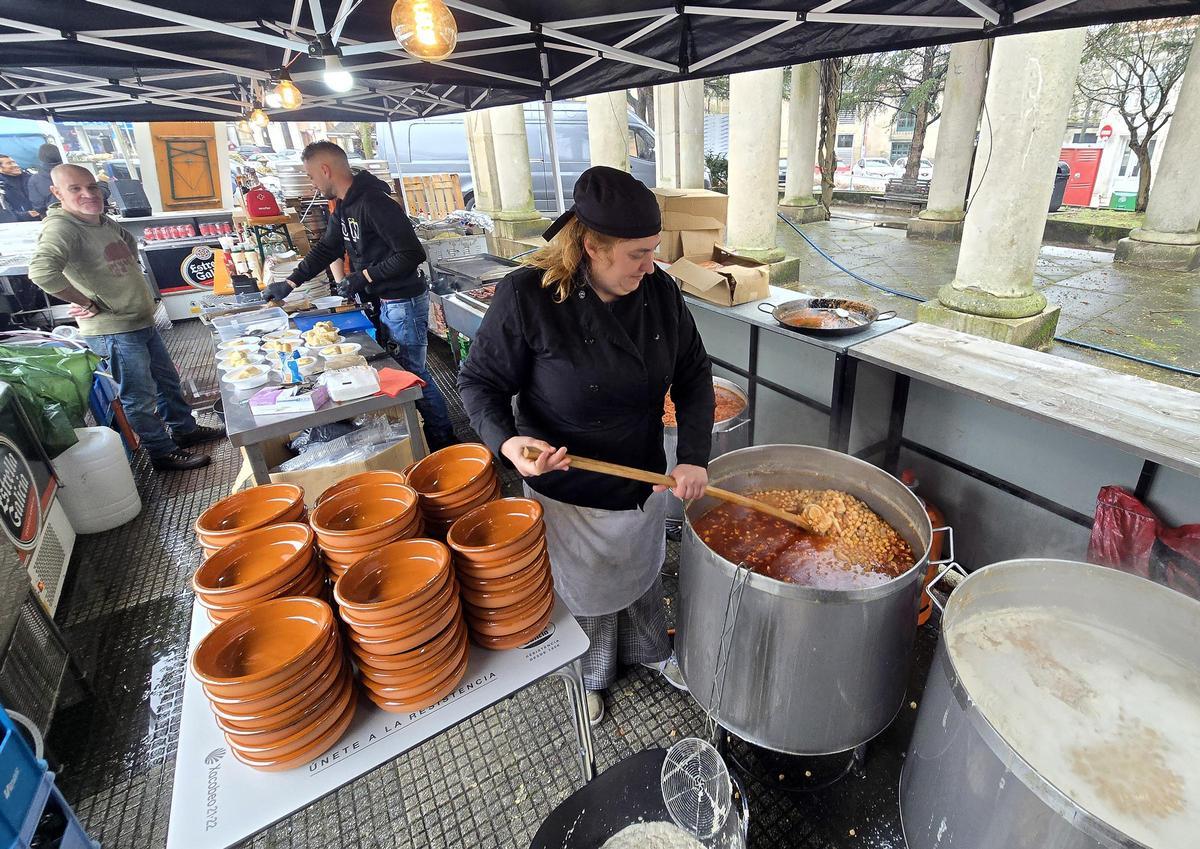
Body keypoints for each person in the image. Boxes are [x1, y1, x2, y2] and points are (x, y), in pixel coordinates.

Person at [458, 166, 716, 725]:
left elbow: (694, 375)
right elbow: (479, 383)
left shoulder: (660, 292)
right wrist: (508, 443)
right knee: (587, 594)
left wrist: (694, 455)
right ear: (591, 247)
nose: (650, 266)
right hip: (568, 484)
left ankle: (651, 650)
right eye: (637, 255)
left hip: (644, 474)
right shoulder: (527, 296)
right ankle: (590, 675)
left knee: (641, 576)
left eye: (653, 251)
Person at [27, 165, 223, 471]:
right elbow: (41, 272)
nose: (88, 194)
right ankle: (162, 453)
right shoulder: (62, 228)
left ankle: (184, 430)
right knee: (138, 395)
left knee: (167, 382)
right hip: (113, 329)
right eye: (75, 189)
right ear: (56, 193)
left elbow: (128, 246)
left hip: (140, 320)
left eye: (92, 186)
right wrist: (84, 301)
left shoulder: (102, 220)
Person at [265, 141, 457, 452]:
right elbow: (327, 248)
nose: (312, 184)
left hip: (403, 301)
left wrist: (363, 276)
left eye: (311, 176)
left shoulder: (374, 202)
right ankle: (423, 434)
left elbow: (411, 253)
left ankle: (444, 438)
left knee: (412, 372)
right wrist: (289, 282)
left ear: (326, 170)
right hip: (381, 301)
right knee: (399, 370)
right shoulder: (343, 205)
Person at [26, 144, 62, 217]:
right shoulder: (72, 172)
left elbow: (38, 206)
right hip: (79, 214)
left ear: (40, 159)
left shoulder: (35, 179)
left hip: (53, 217)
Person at [0, 154, 39, 222]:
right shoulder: (2, 187)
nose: (15, 165)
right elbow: (3, 214)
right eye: (9, 163)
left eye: (14, 162)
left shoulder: (30, 178)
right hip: (16, 225)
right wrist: (26, 215)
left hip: (41, 218)